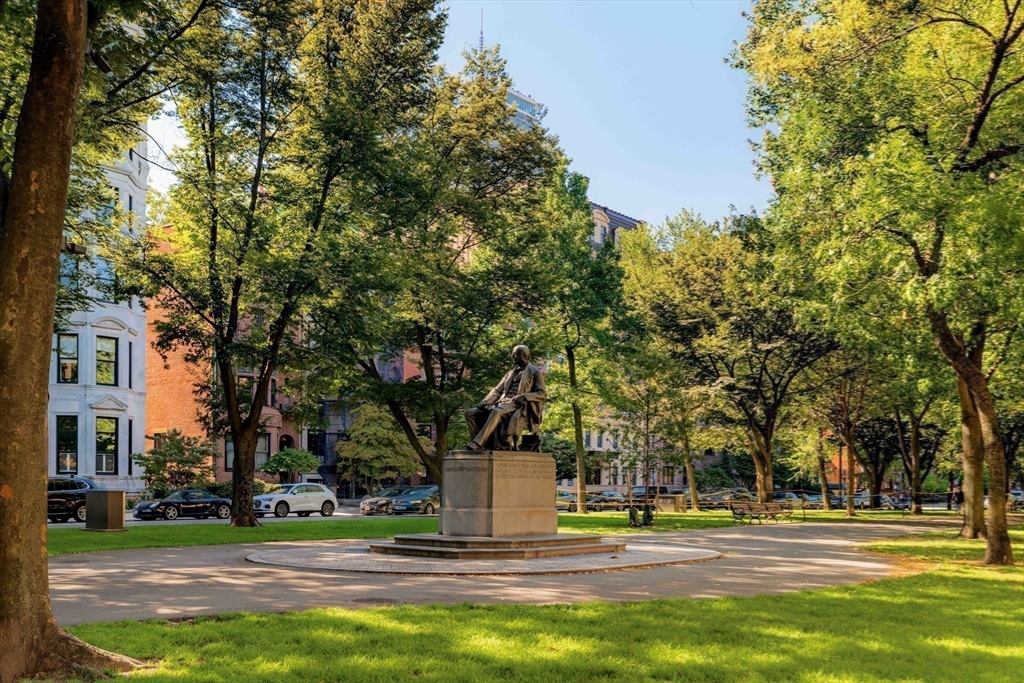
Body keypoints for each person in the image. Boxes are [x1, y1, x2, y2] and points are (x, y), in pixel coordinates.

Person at [464, 345, 546, 451]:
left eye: (515, 354)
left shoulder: (535, 372)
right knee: (470, 413)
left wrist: (525, 396)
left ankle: (477, 443)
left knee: (496, 412)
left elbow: (542, 393)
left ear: (523, 356)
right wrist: (485, 401)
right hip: (502, 402)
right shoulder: (510, 373)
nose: (512, 356)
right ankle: (482, 445)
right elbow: (497, 390)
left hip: (518, 405)